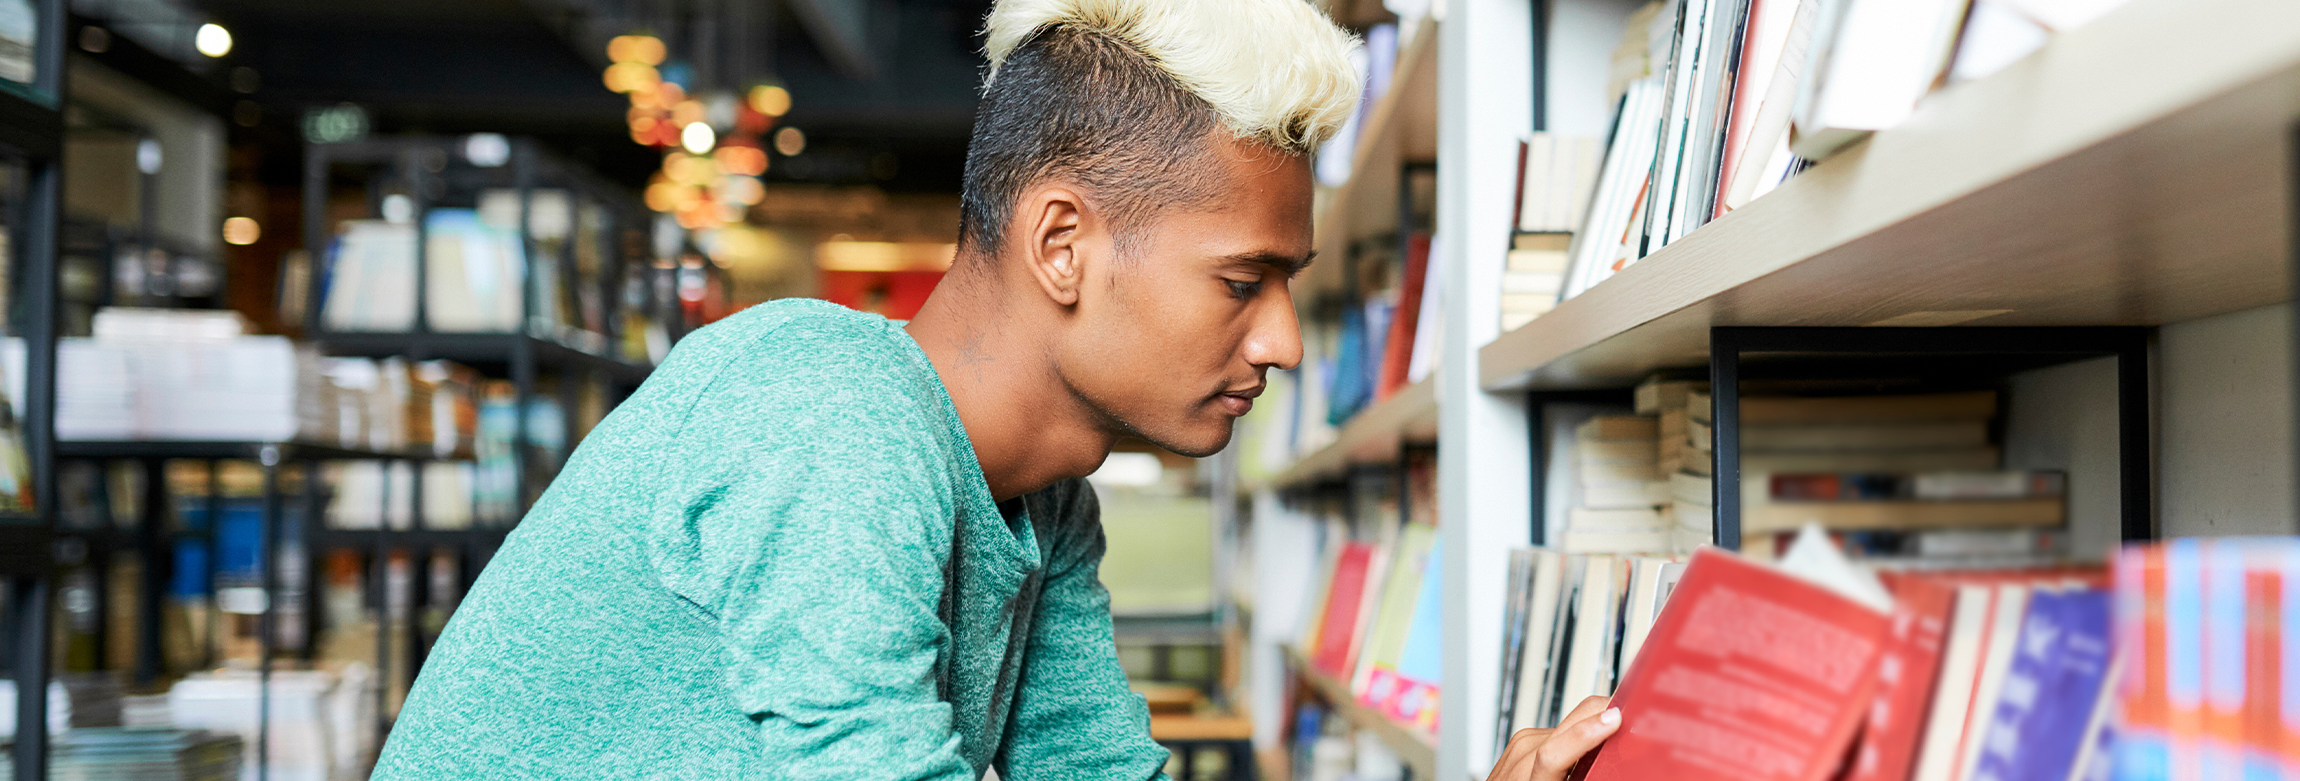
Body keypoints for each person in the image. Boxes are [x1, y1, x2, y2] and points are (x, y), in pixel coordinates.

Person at [372, 0, 1621, 778]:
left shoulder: (1045, 504)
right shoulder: (832, 411)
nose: (1284, 341)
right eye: (1245, 280)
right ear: (1062, 243)